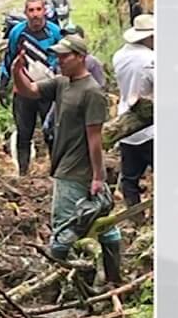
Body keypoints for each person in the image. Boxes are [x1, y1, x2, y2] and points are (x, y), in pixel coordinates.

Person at [11, 36, 109, 262]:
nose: (60, 60)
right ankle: (108, 273)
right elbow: (31, 90)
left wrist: (97, 176)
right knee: (98, 223)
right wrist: (17, 71)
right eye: (58, 56)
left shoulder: (92, 92)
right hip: (65, 163)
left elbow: (94, 137)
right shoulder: (61, 83)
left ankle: (59, 277)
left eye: (65, 56)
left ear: (81, 58)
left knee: (63, 229)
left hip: (74, 170)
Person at [0, 0, 65, 175]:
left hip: (48, 89)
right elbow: (8, 59)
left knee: (51, 132)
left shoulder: (55, 32)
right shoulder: (17, 32)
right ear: (26, 13)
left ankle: (56, 171)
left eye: (38, 10)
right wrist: (2, 84)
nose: (35, 14)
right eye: (31, 10)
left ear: (44, 11)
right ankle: (23, 172)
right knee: (23, 133)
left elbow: (64, 60)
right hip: (23, 90)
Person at [109, 13, 156, 213]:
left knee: (130, 178)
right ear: (148, 37)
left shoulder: (119, 56)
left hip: (125, 125)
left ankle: (135, 215)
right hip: (151, 127)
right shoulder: (151, 59)